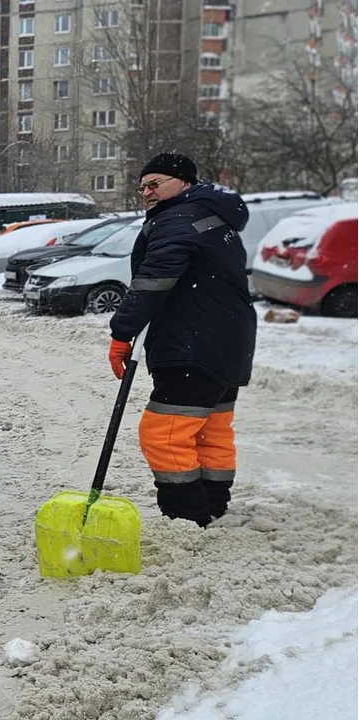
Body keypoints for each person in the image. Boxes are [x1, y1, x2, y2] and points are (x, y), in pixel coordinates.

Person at [107, 152, 257, 528]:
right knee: (211, 430)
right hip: (228, 344)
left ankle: (187, 519)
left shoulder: (177, 220)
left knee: (164, 434)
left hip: (194, 344)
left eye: (155, 183)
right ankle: (213, 508)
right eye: (142, 186)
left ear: (184, 183)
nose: (147, 192)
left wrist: (121, 333)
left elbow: (153, 281)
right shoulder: (214, 216)